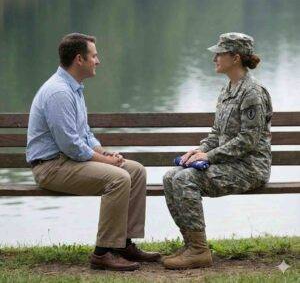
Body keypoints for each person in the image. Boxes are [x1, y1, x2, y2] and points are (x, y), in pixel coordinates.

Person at [26, 33, 160, 271]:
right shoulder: (59, 93)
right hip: (51, 167)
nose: (98, 61)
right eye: (94, 56)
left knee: (135, 171)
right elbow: (71, 146)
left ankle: (123, 244)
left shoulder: (74, 88)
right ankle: (102, 253)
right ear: (79, 59)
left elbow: (85, 135)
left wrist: (106, 154)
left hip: (69, 161)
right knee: (118, 178)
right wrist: (106, 163)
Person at [162, 32, 273, 270]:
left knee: (186, 179)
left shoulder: (252, 92)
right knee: (171, 176)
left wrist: (209, 157)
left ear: (235, 58)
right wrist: (198, 151)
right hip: (231, 163)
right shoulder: (228, 89)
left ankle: (199, 252)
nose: (214, 59)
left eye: (219, 54)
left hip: (250, 167)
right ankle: (192, 245)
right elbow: (216, 133)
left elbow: (248, 140)